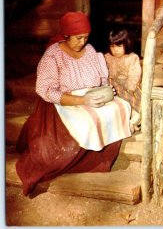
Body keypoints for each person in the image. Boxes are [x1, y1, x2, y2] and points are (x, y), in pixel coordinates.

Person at [16, 11, 132, 196]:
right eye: (78, 38)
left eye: (86, 37)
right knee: (86, 122)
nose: (82, 42)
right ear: (66, 35)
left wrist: (106, 92)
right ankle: (86, 158)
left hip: (89, 95)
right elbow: (46, 90)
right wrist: (82, 100)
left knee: (120, 107)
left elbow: (101, 80)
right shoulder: (53, 56)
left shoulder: (91, 51)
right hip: (64, 100)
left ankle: (101, 152)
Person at [105, 28, 142, 131]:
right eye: (112, 46)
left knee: (138, 104)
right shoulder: (107, 57)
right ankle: (127, 121)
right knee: (115, 104)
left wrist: (130, 87)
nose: (115, 50)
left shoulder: (132, 57)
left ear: (127, 44)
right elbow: (103, 72)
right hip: (111, 85)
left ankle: (134, 120)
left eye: (119, 46)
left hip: (129, 86)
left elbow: (135, 75)